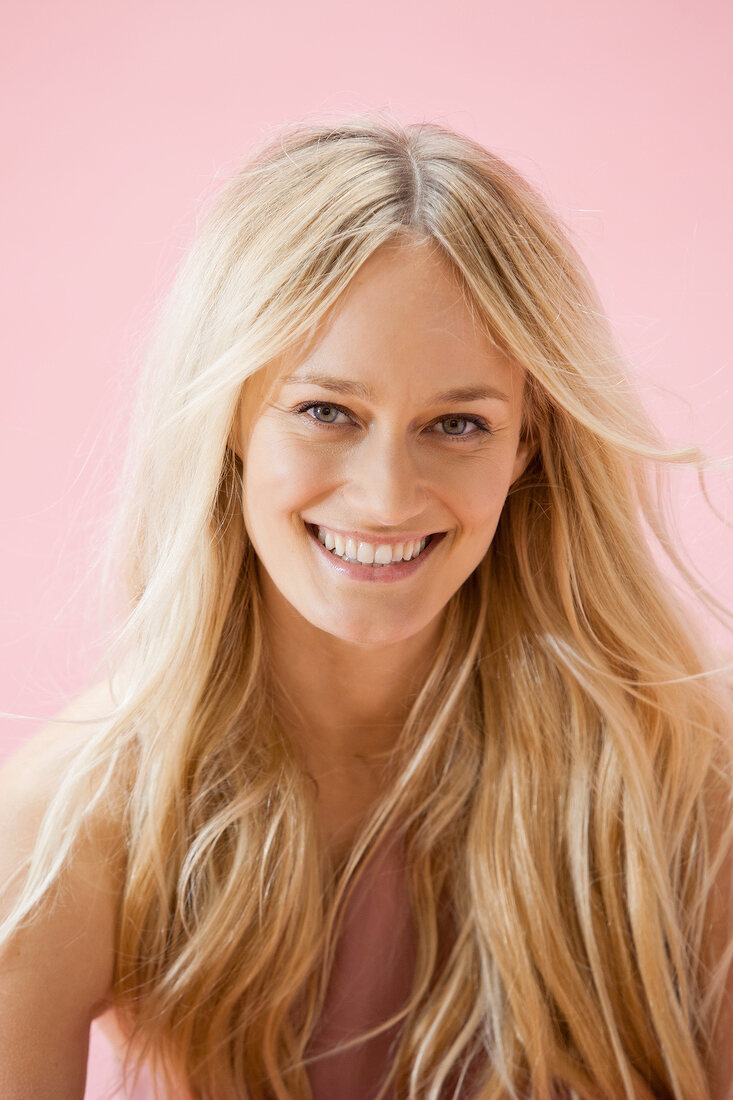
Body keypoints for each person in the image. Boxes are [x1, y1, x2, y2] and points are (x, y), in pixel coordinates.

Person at [1, 113, 732, 1100]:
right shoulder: (69, 825)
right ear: (227, 420)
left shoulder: (680, 790)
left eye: (458, 423)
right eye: (325, 412)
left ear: (527, 449)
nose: (386, 495)